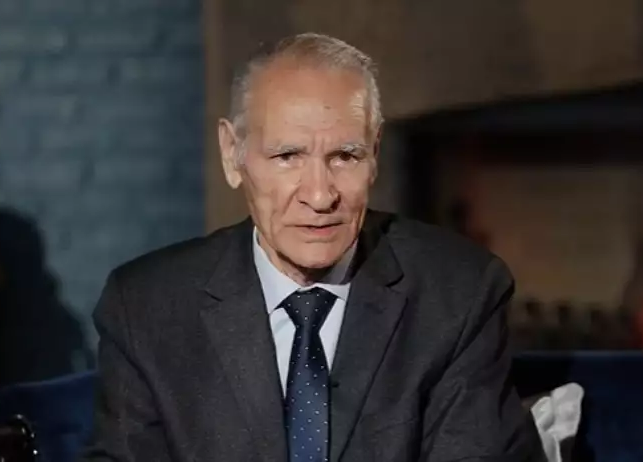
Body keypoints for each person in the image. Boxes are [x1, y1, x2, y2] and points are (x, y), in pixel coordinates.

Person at [84, 33, 542, 462]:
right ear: (232, 154)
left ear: (374, 153)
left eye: (345, 156)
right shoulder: (146, 309)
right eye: (288, 156)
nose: (321, 196)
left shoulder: (460, 295)